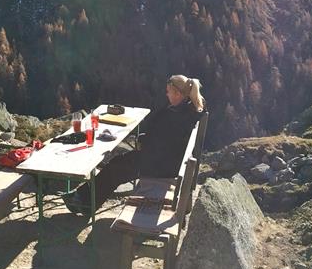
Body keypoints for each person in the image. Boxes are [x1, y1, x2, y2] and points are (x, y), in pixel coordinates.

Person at [65, 75, 207, 214]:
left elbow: (160, 142)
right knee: (118, 164)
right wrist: (146, 140)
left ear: (177, 93)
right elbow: (165, 139)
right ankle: (82, 196)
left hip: (161, 166)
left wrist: (143, 142)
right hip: (168, 161)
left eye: (168, 91)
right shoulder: (188, 109)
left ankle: (84, 203)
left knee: (115, 168)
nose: (166, 94)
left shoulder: (175, 114)